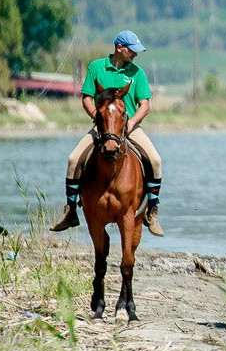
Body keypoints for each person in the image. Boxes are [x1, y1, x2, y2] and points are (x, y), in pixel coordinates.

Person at [50, 29, 164, 236]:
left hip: (129, 127)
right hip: (102, 126)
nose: (135, 55)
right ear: (119, 48)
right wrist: (97, 116)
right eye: (132, 51)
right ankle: (70, 211)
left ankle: (152, 211)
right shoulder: (96, 67)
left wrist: (131, 124)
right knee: (73, 159)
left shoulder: (137, 73)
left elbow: (145, 105)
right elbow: (86, 97)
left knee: (155, 160)